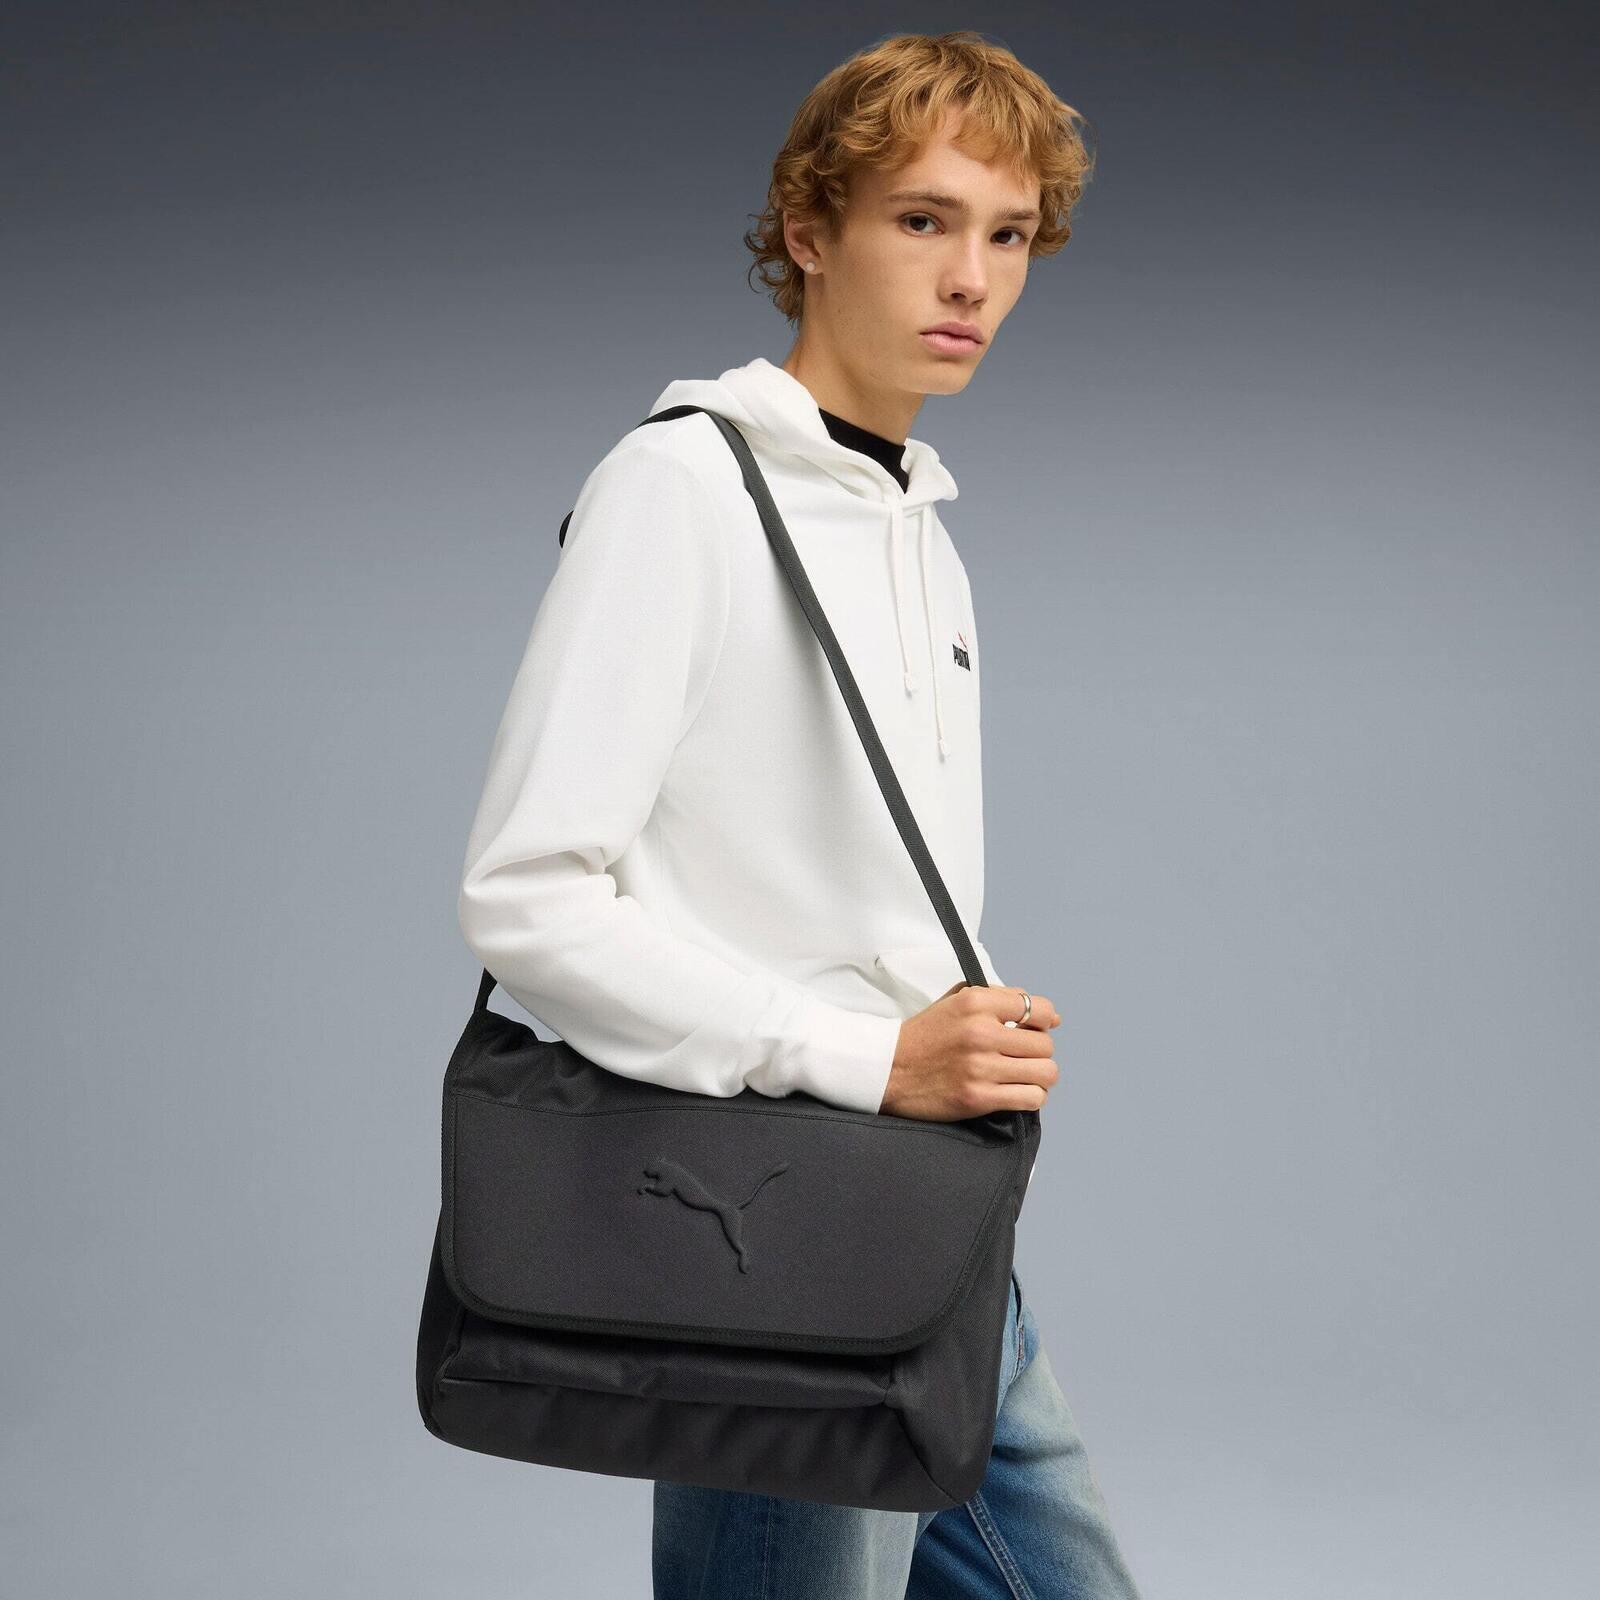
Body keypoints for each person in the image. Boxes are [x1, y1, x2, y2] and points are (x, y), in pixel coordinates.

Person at [456, 28, 1144, 1599]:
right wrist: (868, 1058)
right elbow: (527, 895)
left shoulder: (921, 531)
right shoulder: (684, 492)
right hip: (768, 1227)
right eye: (923, 219)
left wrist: (954, 1034)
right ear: (808, 229)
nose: (971, 277)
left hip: (927, 1216)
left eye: (1009, 235)